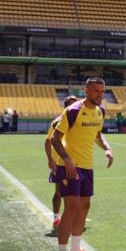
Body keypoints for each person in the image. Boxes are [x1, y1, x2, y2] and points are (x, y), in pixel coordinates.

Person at [50, 78, 114, 251]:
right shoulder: (73, 111)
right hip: (70, 166)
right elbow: (55, 139)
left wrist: (107, 148)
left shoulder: (100, 112)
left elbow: (97, 135)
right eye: (96, 91)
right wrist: (67, 160)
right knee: (71, 208)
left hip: (87, 166)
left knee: (84, 207)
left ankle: (75, 250)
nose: (100, 95)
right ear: (86, 91)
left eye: (102, 91)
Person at [45, 96, 80, 229]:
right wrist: (50, 159)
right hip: (60, 162)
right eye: (72, 105)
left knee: (76, 191)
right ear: (66, 107)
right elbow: (48, 141)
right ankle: (56, 218)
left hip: (76, 161)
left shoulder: (78, 121)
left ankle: (71, 217)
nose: (75, 108)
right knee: (60, 191)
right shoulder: (57, 122)